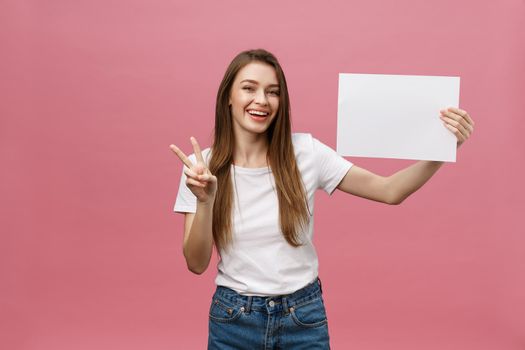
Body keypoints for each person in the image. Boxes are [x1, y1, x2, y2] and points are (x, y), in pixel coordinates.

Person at [170, 49, 474, 349]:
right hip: (234, 320)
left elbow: (389, 190)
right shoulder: (200, 169)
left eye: (273, 92)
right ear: (228, 97)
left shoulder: (306, 152)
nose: (261, 100)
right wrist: (206, 200)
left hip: (301, 317)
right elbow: (196, 264)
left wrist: (442, 149)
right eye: (249, 88)